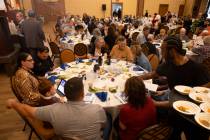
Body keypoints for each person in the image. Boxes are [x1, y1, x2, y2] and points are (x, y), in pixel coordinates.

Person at [7, 77, 107, 139]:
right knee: (109, 119)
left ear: (65, 94)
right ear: (83, 94)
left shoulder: (53, 109)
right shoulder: (97, 109)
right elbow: (103, 125)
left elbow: (27, 111)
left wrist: (13, 103)